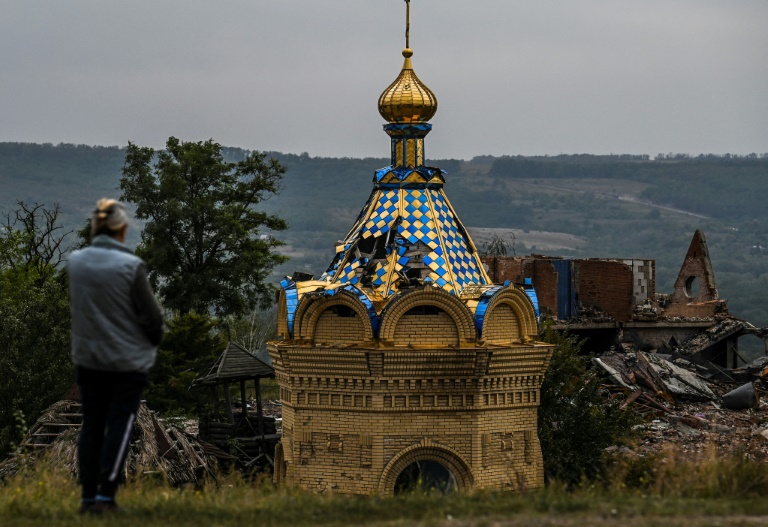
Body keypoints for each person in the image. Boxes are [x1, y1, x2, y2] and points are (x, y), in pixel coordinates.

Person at [67, 198, 164, 514]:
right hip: (125, 361)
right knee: (120, 424)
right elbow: (151, 318)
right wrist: (151, 344)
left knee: (91, 425)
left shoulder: (76, 263)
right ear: (121, 229)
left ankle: (86, 497)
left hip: (88, 358)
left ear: (96, 228)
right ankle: (106, 496)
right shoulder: (131, 267)